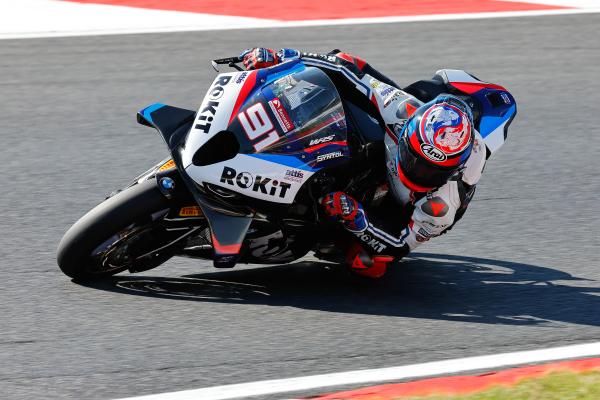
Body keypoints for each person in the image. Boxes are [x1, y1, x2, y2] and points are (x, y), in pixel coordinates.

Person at [240, 47, 515, 278]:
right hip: (397, 140)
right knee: (346, 59)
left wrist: (358, 219)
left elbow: (399, 244)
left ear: (452, 170)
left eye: (431, 171)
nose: (419, 171)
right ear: (408, 135)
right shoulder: (403, 111)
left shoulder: (442, 204)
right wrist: (282, 56)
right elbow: (346, 72)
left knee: (368, 264)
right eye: (416, 160)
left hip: (400, 209)